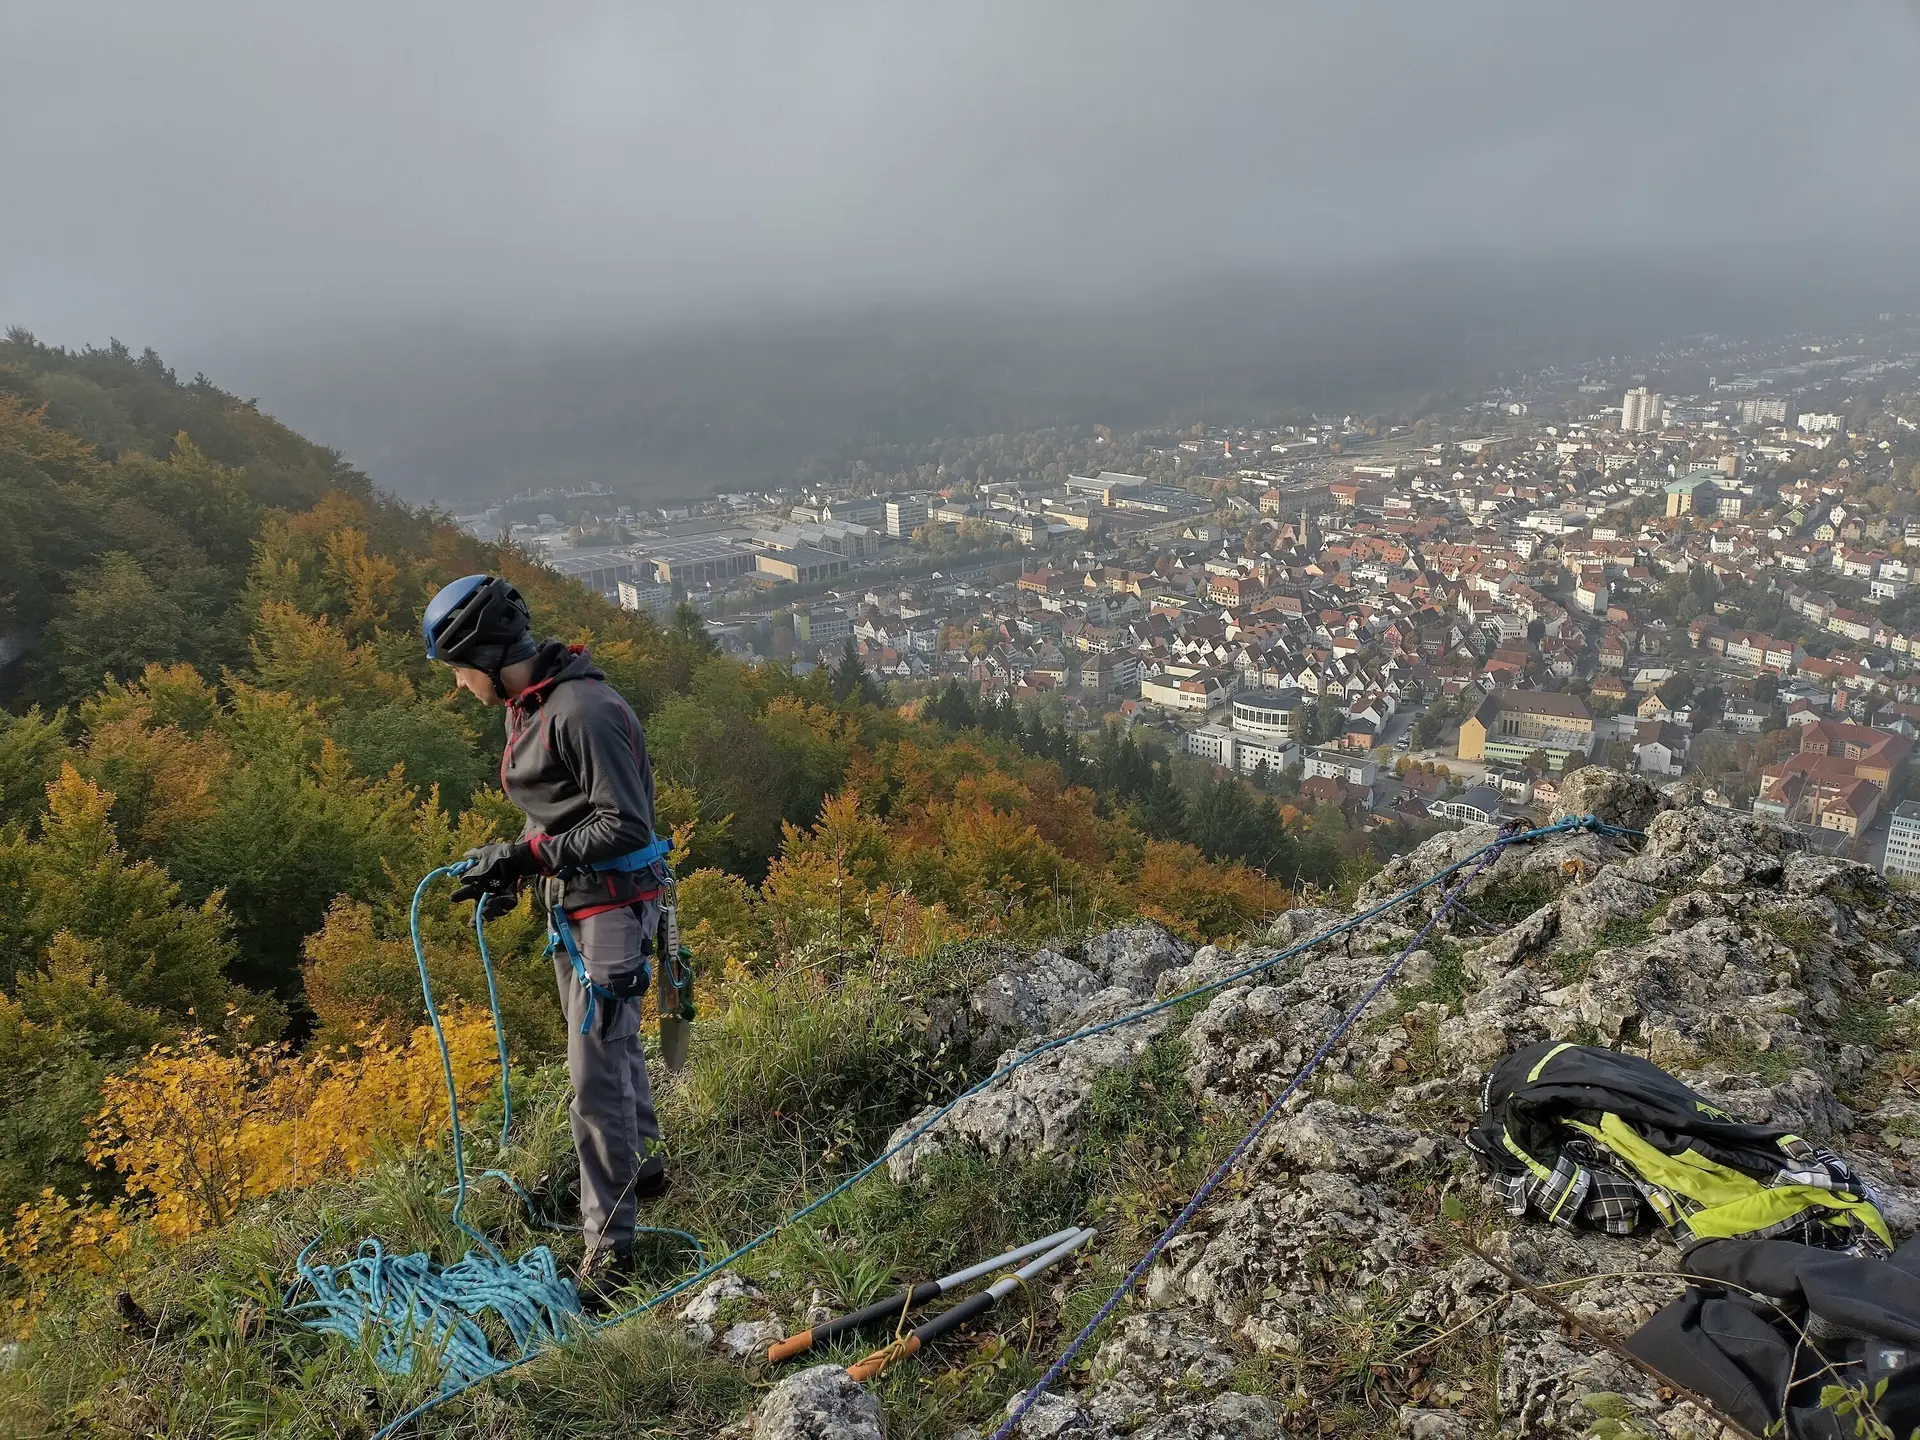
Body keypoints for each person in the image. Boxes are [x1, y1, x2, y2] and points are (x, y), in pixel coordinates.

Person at [420, 573, 669, 1304]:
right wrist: (515, 873)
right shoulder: (528, 707)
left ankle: (609, 1247)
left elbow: (625, 823)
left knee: (592, 1074)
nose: (460, 685)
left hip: (614, 907)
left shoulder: (583, 711)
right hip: (577, 900)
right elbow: (557, 814)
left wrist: (525, 858)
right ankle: (642, 1166)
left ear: (492, 657)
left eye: (462, 670)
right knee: (609, 1045)